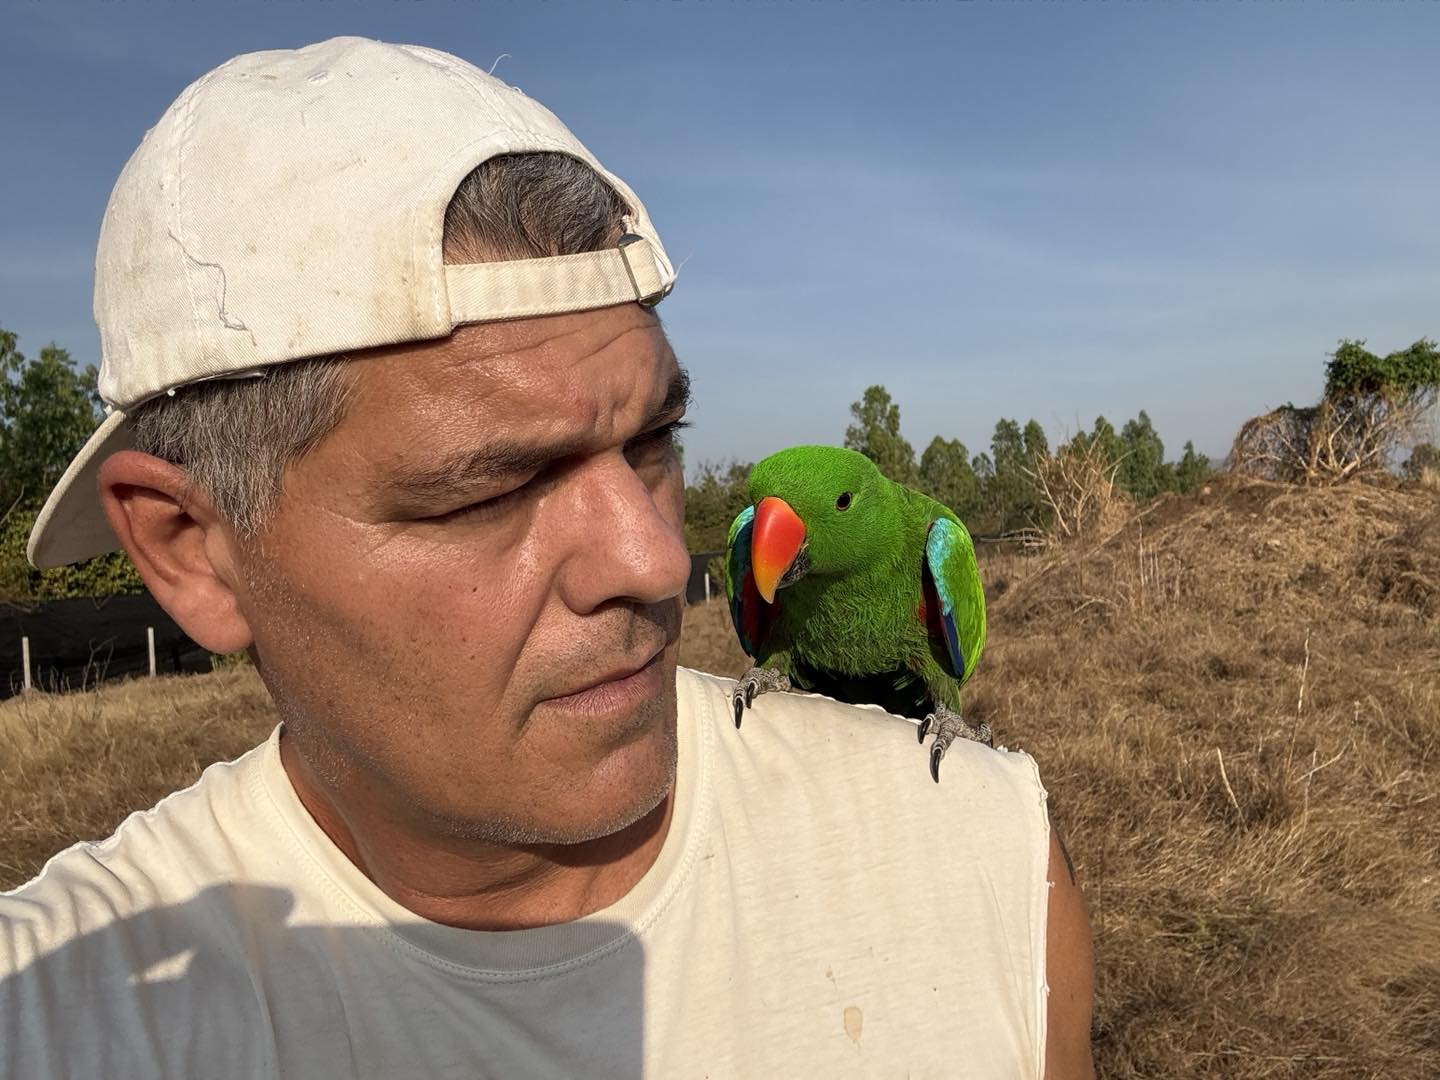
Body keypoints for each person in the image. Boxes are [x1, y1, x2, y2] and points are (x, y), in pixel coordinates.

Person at [1, 36, 1094, 1078]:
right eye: (493, 488)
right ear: (192, 551)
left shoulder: (980, 848)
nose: (657, 559)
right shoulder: (55, 1014)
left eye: (654, 441)